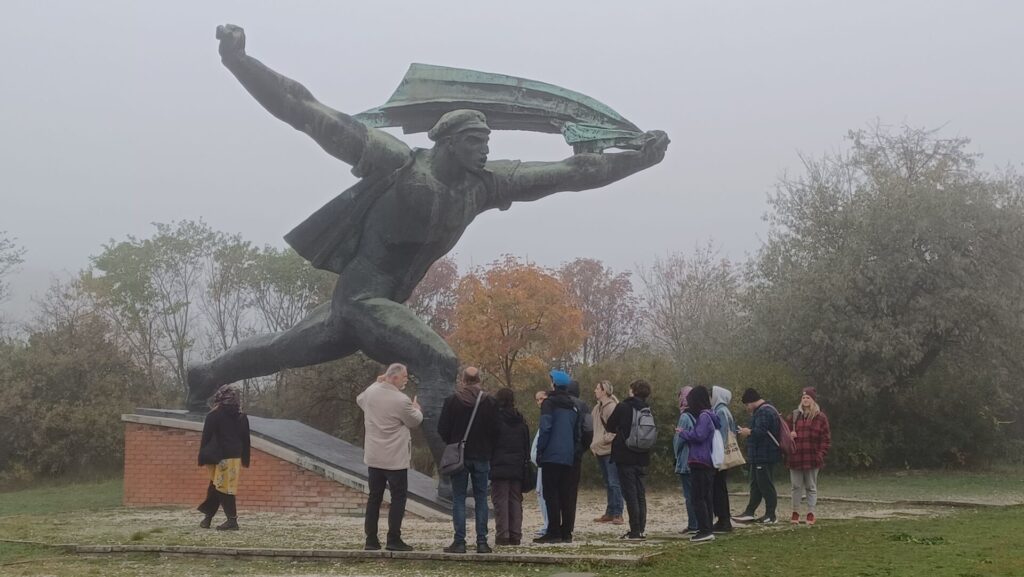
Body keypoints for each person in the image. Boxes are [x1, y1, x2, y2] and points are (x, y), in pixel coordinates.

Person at [188, 25, 671, 480]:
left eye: (487, 142)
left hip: (375, 307)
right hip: (362, 301)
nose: (485, 150)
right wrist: (239, 61)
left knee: (279, 350)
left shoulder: (481, 187)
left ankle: (206, 374)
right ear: (447, 141)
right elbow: (306, 108)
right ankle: (451, 468)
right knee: (439, 363)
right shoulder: (396, 161)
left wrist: (639, 160)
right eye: (475, 142)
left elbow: (570, 173)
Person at [355, 363, 423, 551]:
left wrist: (376, 383)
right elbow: (415, 421)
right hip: (395, 459)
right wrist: (417, 408)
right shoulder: (401, 400)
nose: (406, 380)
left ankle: (371, 540)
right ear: (393, 378)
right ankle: (393, 539)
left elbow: (360, 399)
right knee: (398, 498)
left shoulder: (371, 391)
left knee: (374, 498)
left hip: (374, 456)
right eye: (404, 377)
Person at [438, 367, 499, 553]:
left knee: (458, 497)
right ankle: (482, 542)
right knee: (481, 498)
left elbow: (442, 428)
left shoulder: (452, 400)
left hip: (459, 456)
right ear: (479, 379)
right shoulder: (490, 401)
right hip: (482, 455)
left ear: (462, 380)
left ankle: (459, 542)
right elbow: (496, 429)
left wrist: (454, 442)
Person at [533, 371, 582, 543]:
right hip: (568, 455)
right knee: (566, 494)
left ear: (553, 384)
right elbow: (578, 433)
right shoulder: (573, 406)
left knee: (550, 493)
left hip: (551, 454)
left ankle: (553, 531)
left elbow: (545, 427)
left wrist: (540, 450)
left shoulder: (549, 404)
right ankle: (566, 532)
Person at [196, 384, 251, 531]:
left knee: (223, 488)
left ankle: (232, 521)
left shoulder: (214, 415)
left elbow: (206, 438)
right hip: (235, 457)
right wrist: (245, 459)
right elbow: (246, 439)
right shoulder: (242, 416)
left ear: (219, 399)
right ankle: (207, 518)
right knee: (217, 486)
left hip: (218, 457)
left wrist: (202, 457)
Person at [605, 379, 652, 541]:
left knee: (630, 493)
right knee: (640, 493)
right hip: (642, 455)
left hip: (625, 455)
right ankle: (641, 528)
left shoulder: (624, 407)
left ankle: (634, 531)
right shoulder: (646, 409)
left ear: (633, 391)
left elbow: (610, 426)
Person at [678, 386, 721, 543]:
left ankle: (704, 529)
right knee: (706, 497)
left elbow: (699, 435)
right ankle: (707, 527)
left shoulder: (703, 416)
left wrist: (683, 433)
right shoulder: (711, 415)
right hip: (707, 461)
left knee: (698, 497)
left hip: (700, 460)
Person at [734, 388, 782, 524]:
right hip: (759, 455)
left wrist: (747, 432)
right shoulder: (765, 410)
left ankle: (771, 515)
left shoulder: (764, 411)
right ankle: (749, 512)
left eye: (747, 404)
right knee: (756, 485)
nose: (747, 408)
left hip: (765, 454)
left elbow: (760, 431)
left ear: (751, 401)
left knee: (766, 484)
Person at [490, 388, 531, 545]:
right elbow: (525, 444)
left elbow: (491, 442)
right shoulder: (520, 421)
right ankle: (516, 534)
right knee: (515, 500)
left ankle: (503, 534)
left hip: (499, 465)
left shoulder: (495, 420)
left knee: (500, 500)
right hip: (517, 465)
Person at [786, 387, 831, 526]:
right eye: (803, 398)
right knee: (796, 486)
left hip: (812, 458)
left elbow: (826, 439)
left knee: (811, 486)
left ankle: (811, 512)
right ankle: (795, 511)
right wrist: (789, 436)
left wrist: (820, 454)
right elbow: (783, 433)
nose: (805, 400)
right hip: (795, 457)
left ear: (813, 400)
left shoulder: (820, 417)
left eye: (808, 398)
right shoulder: (794, 415)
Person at [591, 380, 624, 525]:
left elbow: (617, 430)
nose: (595, 390)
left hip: (610, 450)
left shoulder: (611, 408)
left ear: (604, 391)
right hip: (600, 450)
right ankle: (610, 512)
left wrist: (603, 440)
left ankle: (618, 514)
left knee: (614, 482)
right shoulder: (597, 408)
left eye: (597, 388)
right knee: (608, 482)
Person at [564, 379, 593, 538]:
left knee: (555, 490)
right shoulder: (583, 405)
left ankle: (554, 525)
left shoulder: (557, 403)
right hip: (576, 453)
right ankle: (569, 525)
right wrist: (583, 448)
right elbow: (589, 428)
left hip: (558, 452)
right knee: (571, 491)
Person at [710, 385, 738, 533]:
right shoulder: (725, 411)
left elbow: (720, 435)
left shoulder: (720, 411)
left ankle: (724, 519)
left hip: (720, 455)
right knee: (720, 487)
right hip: (723, 455)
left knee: (718, 488)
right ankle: (723, 518)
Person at [672, 386, 698, 535]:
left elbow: (678, 440)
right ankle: (701, 522)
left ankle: (693, 524)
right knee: (699, 494)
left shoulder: (684, 417)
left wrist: (676, 456)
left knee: (689, 495)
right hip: (699, 460)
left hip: (686, 460)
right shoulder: (701, 414)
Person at [530, 390, 549, 538]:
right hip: (540, 464)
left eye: (542, 398)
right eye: (537, 400)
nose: (539, 402)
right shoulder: (543, 417)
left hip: (546, 463)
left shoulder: (549, 416)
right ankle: (546, 523)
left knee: (545, 494)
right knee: (540, 494)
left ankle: (549, 524)